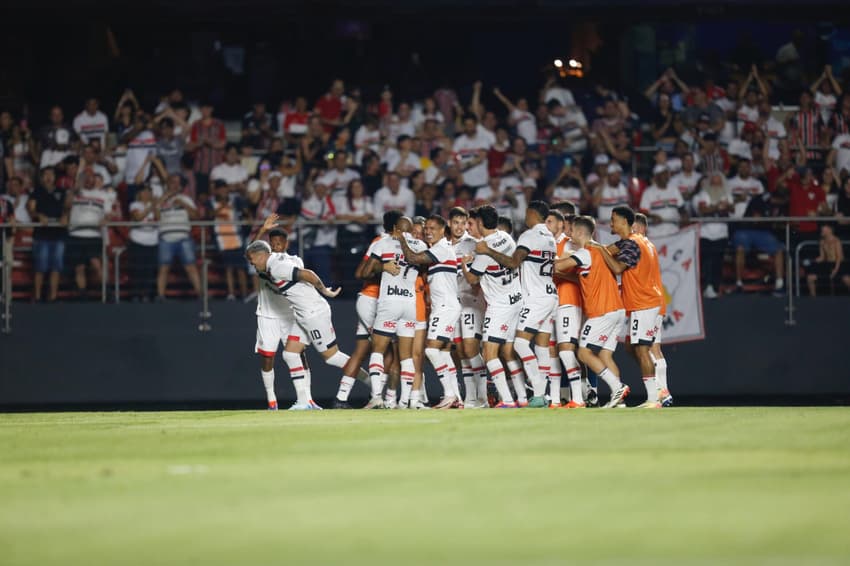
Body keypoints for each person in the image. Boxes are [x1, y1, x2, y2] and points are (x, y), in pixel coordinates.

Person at [245, 240, 361, 408]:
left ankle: (374, 382)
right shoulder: (277, 259)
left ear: (261, 255)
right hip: (302, 314)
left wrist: (325, 290)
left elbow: (308, 274)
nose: (252, 264)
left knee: (332, 357)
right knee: (290, 354)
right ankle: (304, 402)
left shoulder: (276, 267)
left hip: (313, 314)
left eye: (252, 260)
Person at [474, 201, 557, 407]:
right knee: (541, 347)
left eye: (527, 213)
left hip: (534, 298)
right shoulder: (550, 238)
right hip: (548, 295)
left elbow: (512, 262)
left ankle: (537, 392)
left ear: (532, 214)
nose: (524, 216)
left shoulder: (528, 236)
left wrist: (486, 250)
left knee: (519, 344)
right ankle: (539, 395)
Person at [590, 206, 664, 408]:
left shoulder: (632, 244)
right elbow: (609, 250)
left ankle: (653, 398)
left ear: (623, 221)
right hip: (646, 301)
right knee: (634, 347)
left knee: (641, 349)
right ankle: (657, 390)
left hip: (643, 302)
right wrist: (596, 248)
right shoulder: (637, 241)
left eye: (613, 219)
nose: (611, 223)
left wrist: (597, 248)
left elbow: (616, 267)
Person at [554, 216, 630, 408]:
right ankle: (619, 399)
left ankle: (617, 386)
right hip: (618, 310)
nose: (569, 233)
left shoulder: (585, 252)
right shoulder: (601, 250)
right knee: (604, 355)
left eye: (572, 230)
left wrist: (556, 256)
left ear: (580, 232)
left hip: (603, 311)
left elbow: (558, 267)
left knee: (583, 352)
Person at [361, 212, 429, 409]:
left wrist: (383, 267)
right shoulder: (420, 245)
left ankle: (376, 397)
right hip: (409, 304)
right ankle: (404, 401)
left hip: (389, 302)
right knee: (406, 356)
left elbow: (365, 273)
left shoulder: (383, 243)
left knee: (378, 350)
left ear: (395, 229)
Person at [461, 205, 524, 408]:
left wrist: (464, 263)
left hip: (500, 306)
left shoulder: (483, 250)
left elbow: (471, 279)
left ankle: (507, 400)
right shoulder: (506, 237)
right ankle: (522, 397)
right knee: (508, 352)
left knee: (489, 354)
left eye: (473, 222)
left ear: (480, 223)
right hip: (516, 299)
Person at [448, 207, 488, 408]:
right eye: (456, 222)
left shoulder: (473, 244)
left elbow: (479, 275)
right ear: (449, 223)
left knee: (471, 348)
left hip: (472, 301)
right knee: (461, 351)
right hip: (453, 304)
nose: (460, 226)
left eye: (463, 223)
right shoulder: (444, 245)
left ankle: (483, 397)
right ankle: (471, 398)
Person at [633, 213, 673, 406]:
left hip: (646, 302)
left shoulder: (639, 246)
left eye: (633, 228)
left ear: (641, 228)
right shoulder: (650, 246)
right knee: (654, 347)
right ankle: (664, 391)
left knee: (643, 347)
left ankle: (657, 392)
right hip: (657, 301)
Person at [550, 207, 588, 408]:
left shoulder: (570, 244)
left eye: (551, 221)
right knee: (552, 353)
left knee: (566, 351)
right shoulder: (548, 244)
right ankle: (555, 399)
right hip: (550, 303)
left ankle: (579, 398)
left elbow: (577, 274)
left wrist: (553, 268)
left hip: (568, 300)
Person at [65, 170, 116, 300]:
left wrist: (106, 219)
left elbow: (109, 213)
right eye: (86, 178)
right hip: (76, 233)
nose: (89, 180)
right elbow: (66, 205)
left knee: (96, 264)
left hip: (93, 234)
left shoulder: (103, 195)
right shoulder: (75, 193)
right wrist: (75, 189)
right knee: (79, 267)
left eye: (92, 178)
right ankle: (82, 294)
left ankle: (107, 290)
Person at [155, 174, 202, 300]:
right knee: (164, 267)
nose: (174, 185)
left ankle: (201, 295)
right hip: (166, 238)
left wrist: (183, 204)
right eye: (172, 182)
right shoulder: (161, 200)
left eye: (177, 183)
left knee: (191, 267)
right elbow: (156, 216)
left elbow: (196, 216)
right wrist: (164, 198)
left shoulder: (186, 199)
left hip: (183, 237)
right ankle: (160, 296)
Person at [27, 167, 66, 302]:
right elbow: (31, 209)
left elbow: (67, 207)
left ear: (55, 177)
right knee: (40, 267)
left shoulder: (62, 192)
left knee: (56, 267)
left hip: (58, 234)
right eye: (45, 174)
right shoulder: (36, 192)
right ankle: (37, 296)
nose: (48, 177)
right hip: (41, 235)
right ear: (41, 177)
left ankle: (53, 297)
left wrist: (65, 216)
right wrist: (39, 215)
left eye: (51, 174)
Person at [692, 173, 734, 298]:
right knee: (706, 261)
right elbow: (703, 210)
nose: (716, 185)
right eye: (714, 183)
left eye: (718, 183)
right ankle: (706, 287)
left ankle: (715, 287)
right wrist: (718, 207)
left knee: (718, 261)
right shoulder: (702, 195)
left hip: (721, 233)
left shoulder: (727, 194)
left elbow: (731, 209)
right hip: (705, 233)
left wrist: (715, 208)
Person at [209, 179, 249, 300]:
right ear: (216, 190)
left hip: (237, 239)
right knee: (229, 268)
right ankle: (231, 294)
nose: (223, 191)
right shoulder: (211, 202)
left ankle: (245, 294)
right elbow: (210, 214)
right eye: (220, 188)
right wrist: (223, 207)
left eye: (224, 188)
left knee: (241, 268)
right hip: (222, 240)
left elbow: (246, 212)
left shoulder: (236, 200)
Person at [127, 185, 160, 302]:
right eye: (144, 191)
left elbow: (159, 219)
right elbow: (138, 217)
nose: (147, 194)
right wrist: (150, 207)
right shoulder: (134, 205)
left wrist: (155, 207)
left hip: (153, 241)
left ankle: (146, 295)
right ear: (139, 193)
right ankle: (135, 295)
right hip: (138, 240)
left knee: (150, 270)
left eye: (149, 191)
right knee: (138, 269)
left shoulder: (155, 206)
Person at [639, 164, 688, 237]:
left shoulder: (674, 190)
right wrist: (652, 216)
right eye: (663, 174)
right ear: (656, 177)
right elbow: (642, 213)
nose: (666, 176)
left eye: (667, 173)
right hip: (655, 235)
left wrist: (684, 215)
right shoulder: (648, 192)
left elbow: (682, 208)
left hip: (674, 232)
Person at [806, 224, 849, 296]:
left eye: (823, 229)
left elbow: (839, 257)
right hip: (827, 264)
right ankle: (812, 298)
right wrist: (813, 261)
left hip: (838, 264)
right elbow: (822, 257)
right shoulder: (822, 242)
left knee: (847, 279)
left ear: (829, 230)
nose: (821, 230)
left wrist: (835, 269)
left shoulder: (836, 241)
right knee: (810, 277)